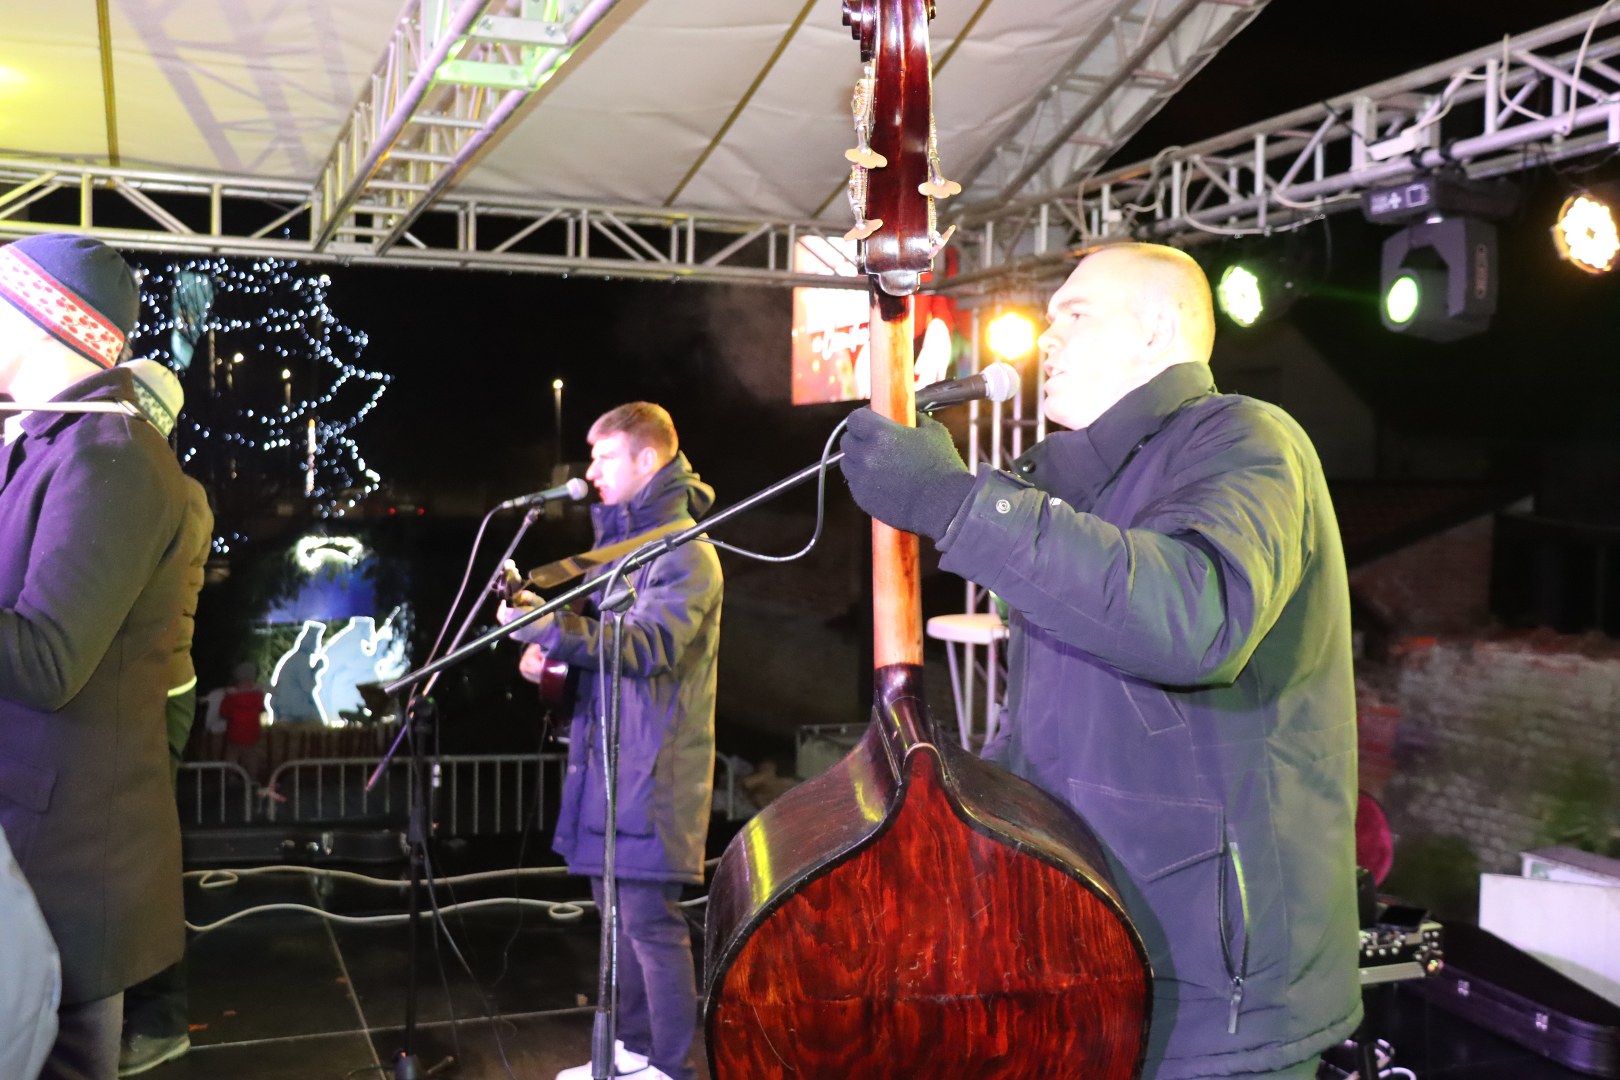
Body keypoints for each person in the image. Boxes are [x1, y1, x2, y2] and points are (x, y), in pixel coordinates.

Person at [838, 242, 1361, 1080]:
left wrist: (956, 501)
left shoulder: (1245, 436)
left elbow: (1193, 617)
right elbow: (1056, 734)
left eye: (1075, 316)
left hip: (1211, 991)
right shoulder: (1078, 493)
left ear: (1156, 330)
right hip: (1096, 957)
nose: (1049, 338)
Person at [0, 234, 191, 1080]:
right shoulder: (45, 444)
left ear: (46, 321)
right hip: (28, 841)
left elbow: (47, 662)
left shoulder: (113, 456)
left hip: (66, 866)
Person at [498, 402, 722, 1080]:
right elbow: (600, 648)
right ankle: (631, 1051)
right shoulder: (626, 550)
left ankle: (672, 1067)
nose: (590, 472)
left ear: (647, 459)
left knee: (650, 923)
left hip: (655, 773)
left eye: (604, 458)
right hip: (610, 762)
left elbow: (648, 646)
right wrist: (551, 662)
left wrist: (550, 629)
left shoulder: (686, 553)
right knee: (618, 921)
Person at [115, 358, 213, 1076]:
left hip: (152, 694)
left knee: (140, 858)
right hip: (158, 690)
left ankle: (157, 1017)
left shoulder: (161, 492)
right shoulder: (171, 486)